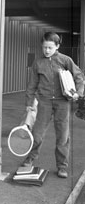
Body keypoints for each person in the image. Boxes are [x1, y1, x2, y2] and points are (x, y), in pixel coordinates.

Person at [23, 32, 84, 178]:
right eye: (44, 47)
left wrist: (78, 93)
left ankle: (62, 167)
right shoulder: (38, 63)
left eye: (50, 47)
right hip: (44, 102)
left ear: (57, 46)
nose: (47, 51)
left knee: (63, 135)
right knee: (37, 133)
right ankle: (30, 158)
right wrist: (29, 103)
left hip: (62, 102)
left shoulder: (65, 60)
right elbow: (32, 85)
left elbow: (79, 76)